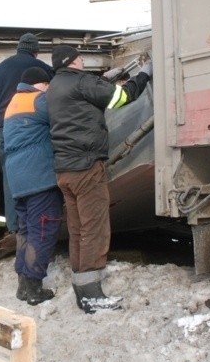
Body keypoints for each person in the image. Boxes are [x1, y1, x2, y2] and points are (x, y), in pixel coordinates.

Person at [46, 45, 153, 314]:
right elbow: (122, 97)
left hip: (65, 171)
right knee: (95, 227)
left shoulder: (55, 86)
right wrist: (145, 74)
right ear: (72, 61)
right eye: (80, 57)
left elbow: (84, 96)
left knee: (79, 229)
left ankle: (82, 288)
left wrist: (103, 80)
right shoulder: (82, 82)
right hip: (86, 168)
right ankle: (92, 293)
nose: (83, 61)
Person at [0, 32, 53, 237]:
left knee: (9, 174)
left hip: (5, 126)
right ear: (36, 50)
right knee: (40, 169)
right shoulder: (42, 68)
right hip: (34, 123)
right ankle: (40, 220)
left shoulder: (1, 67)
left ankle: (14, 225)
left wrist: (1, 115)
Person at [4, 67, 62, 305]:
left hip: (17, 180)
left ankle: (22, 285)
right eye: (48, 85)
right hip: (39, 177)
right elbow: (66, 115)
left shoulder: (13, 103)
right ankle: (34, 288)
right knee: (43, 230)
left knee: (26, 231)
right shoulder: (39, 100)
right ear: (41, 84)